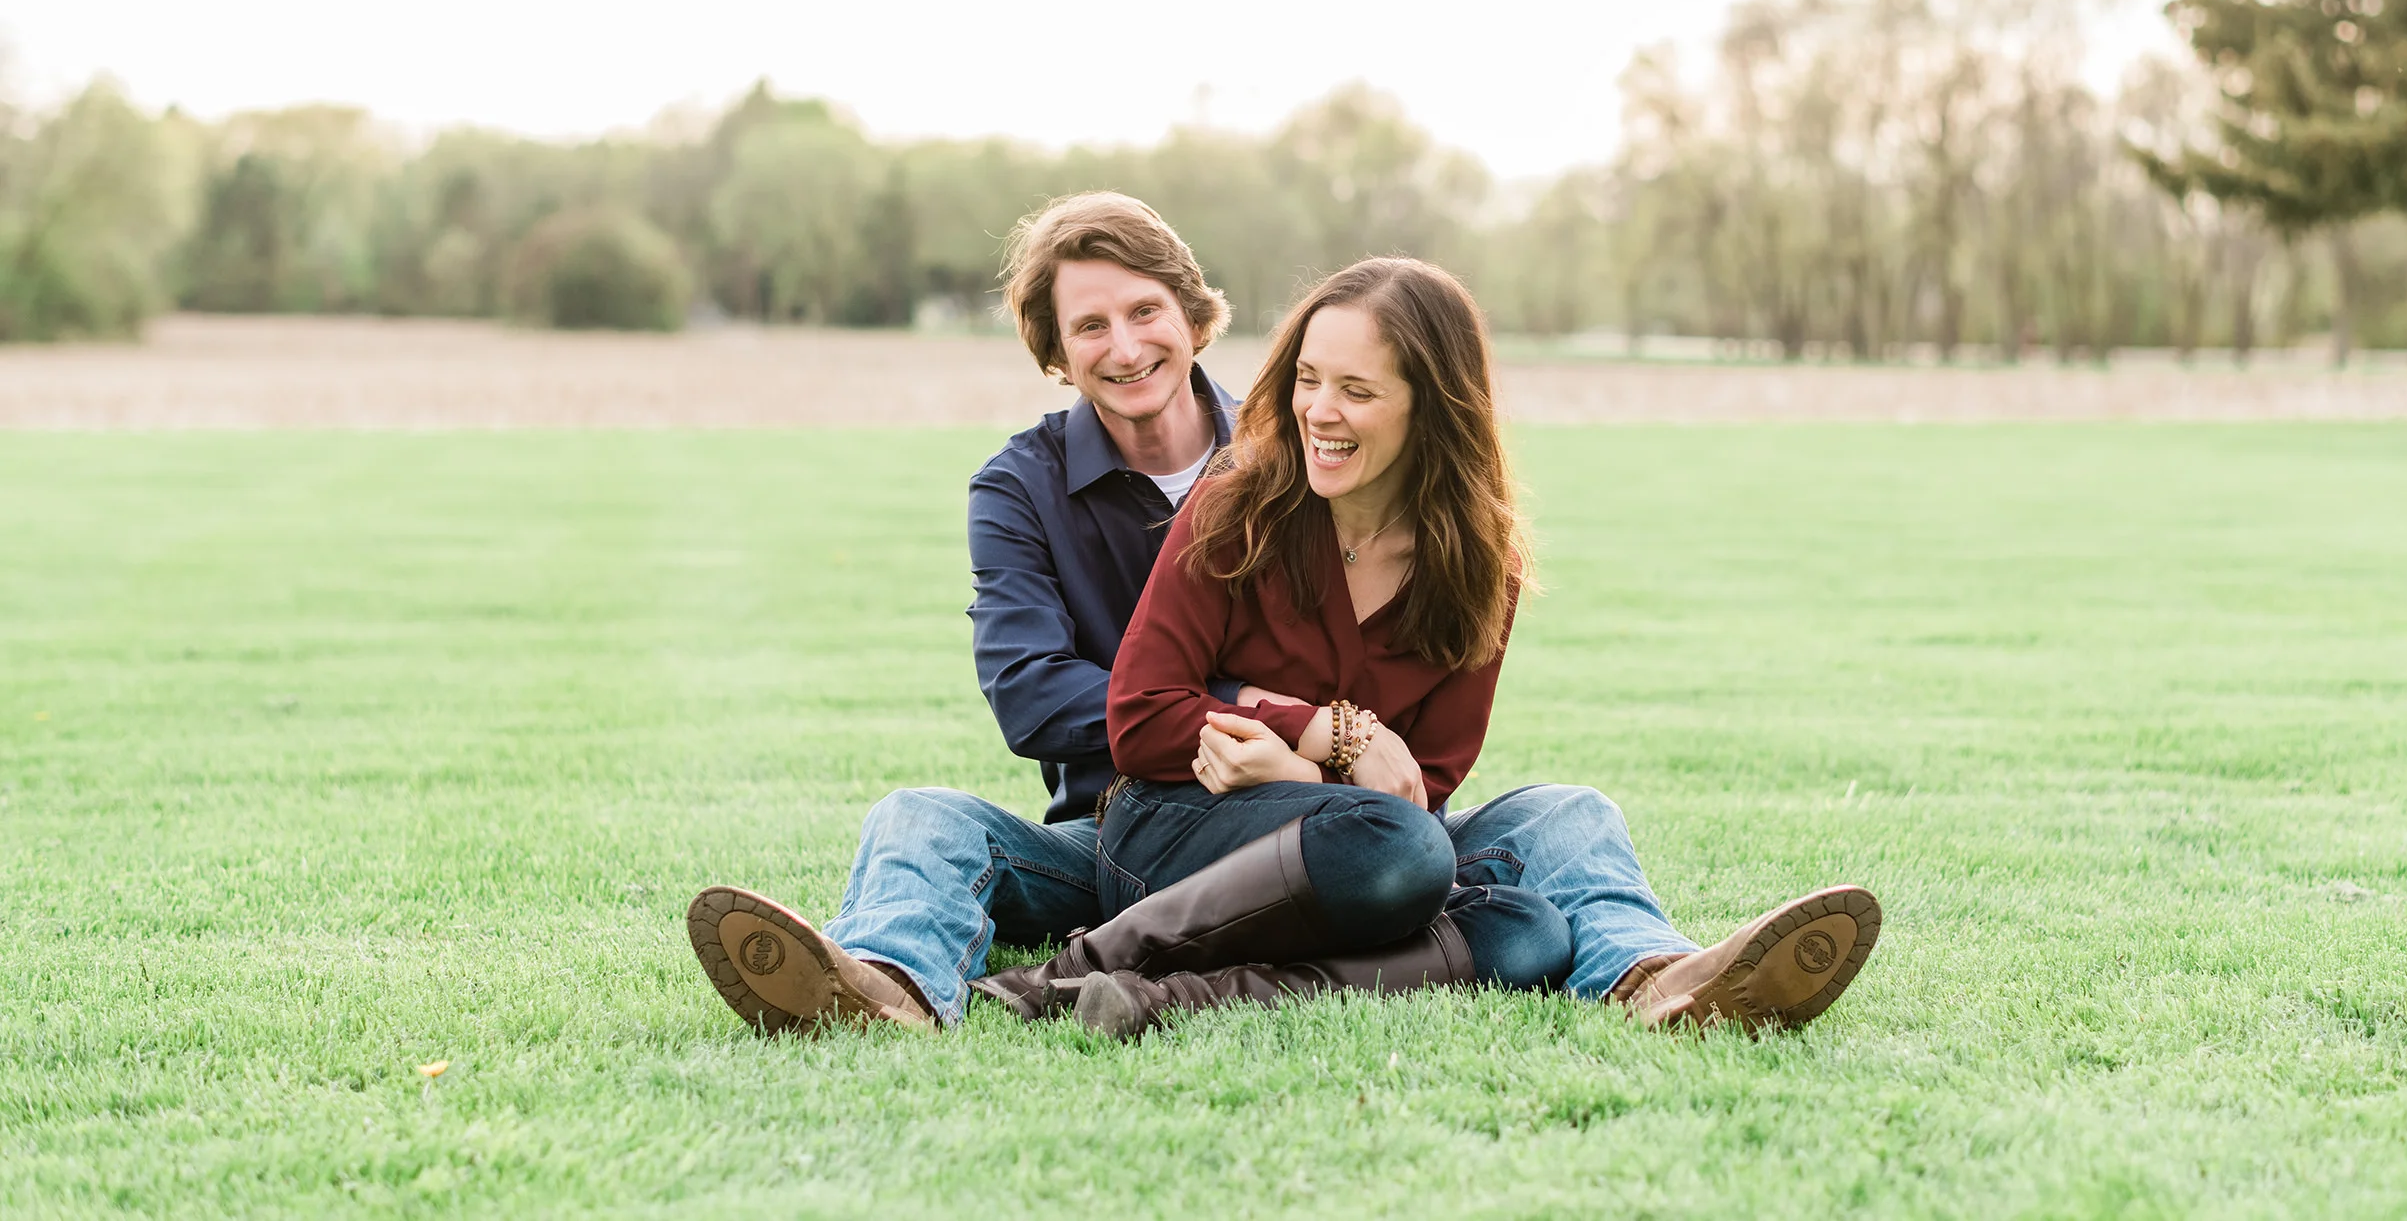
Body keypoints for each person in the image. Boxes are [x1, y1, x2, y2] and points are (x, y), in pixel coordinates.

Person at [688, 193, 1880, 1039]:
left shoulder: (1328, 481)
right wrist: (1301, 727)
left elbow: (1430, 775)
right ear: (1055, 349)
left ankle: (1660, 979)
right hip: (1131, 820)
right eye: (1088, 324)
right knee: (920, 818)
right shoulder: (1103, 492)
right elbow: (1063, 700)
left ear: (1193, 315)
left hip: (1345, 839)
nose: (1123, 345)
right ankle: (884, 985)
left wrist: (1320, 766)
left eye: (1143, 310)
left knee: (1554, 841)